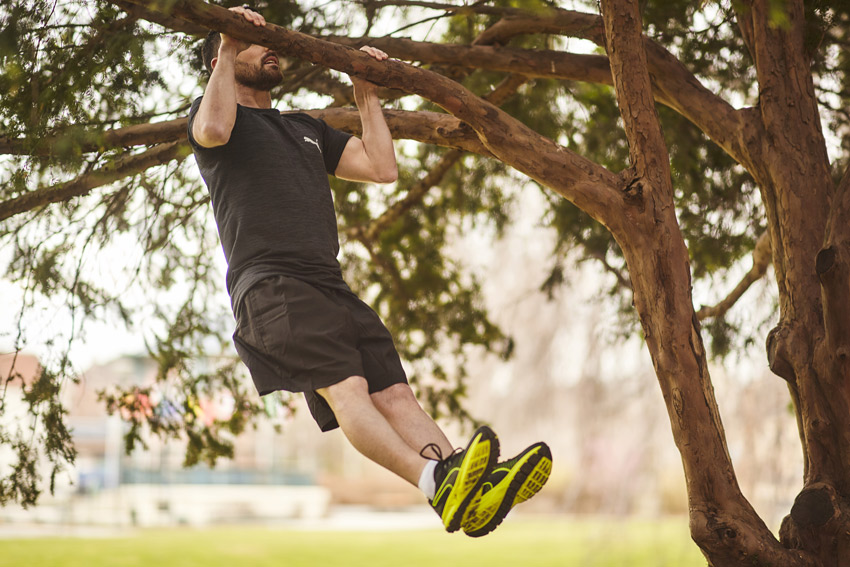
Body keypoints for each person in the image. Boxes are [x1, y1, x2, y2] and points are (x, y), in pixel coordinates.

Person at [187, 6, 551, 536]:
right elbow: (215, 127)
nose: (269, 44)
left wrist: (366, 92)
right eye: (251, 38)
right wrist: (225, 42)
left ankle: (473, 490)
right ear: (220, 53)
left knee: (396, 394)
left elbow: (382, 168)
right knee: (350, 388)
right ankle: (434, 482)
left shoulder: (305, 128)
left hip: (329, 285)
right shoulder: (215, 119)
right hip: (271, 286)